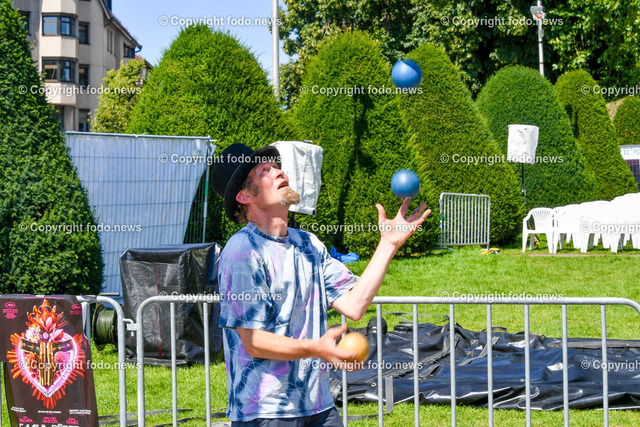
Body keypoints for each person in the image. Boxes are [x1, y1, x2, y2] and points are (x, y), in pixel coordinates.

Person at [212, 143, 430, 426]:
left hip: (318, 404)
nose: (279, 172)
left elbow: (355, 305)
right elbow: (254, 342)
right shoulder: (243, 251)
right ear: (245, 196)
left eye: (276, 166)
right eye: (264, 170)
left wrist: (388, 245)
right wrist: (317, 348)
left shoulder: (308, 244)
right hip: (267, 411)